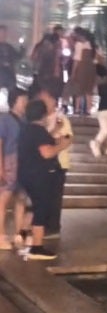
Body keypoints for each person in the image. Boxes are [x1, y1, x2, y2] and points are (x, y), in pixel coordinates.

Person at [18, 99, 71, 260]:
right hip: (39, 175)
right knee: (41, 208)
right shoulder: (38, 131)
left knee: (34, 207)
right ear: (42, 114)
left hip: (27, 173)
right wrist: (63, 145)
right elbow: (46, 152)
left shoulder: (27, 129)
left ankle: (26, 237)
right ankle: (37, 247)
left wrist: (56, 132)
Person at [36, 89, 73, 238]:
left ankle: (53, 227)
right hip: (43, 162)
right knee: (44, 195)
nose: (43, 102)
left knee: (54, 196)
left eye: (45, 99)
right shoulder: (41, 119)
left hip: (58, 162)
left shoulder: (60, 118)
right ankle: (43, 225)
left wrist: (54, 140)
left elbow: (67, 138)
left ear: (52, 100)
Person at [0, 88, 28, 249]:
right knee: (3, 199)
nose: (25, 103)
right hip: (9, 160)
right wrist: (1, 166)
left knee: (21, 198)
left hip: (22, 161)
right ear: (14, 101)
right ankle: (1, 236)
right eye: (22, 100)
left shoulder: (24, 120)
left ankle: (18, 233)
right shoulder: (4, 119)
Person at [0, 25, 19, 91]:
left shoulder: (9, 48)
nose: (2, 35)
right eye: (1, 33)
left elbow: (17, 58)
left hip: (9, 77)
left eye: (4, 33)